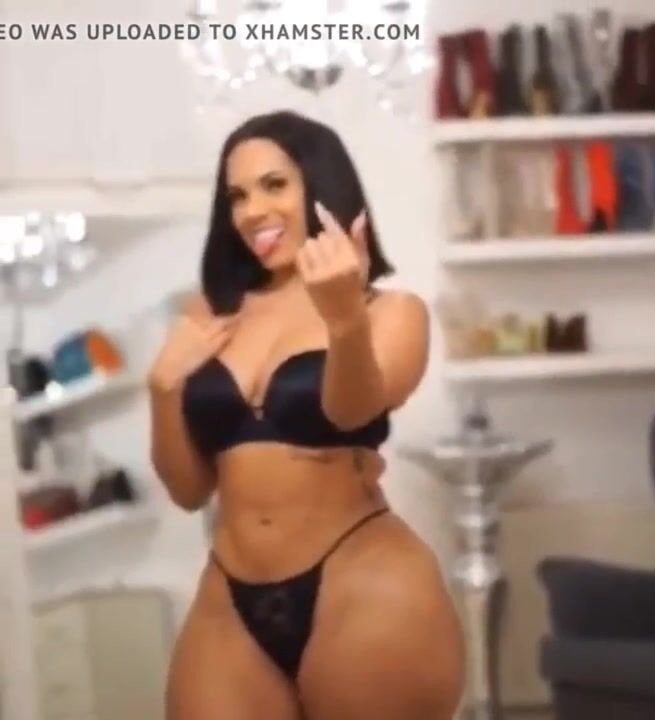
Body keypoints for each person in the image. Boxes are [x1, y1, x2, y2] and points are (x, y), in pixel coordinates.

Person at [148, 110, 465, 720]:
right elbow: (189, 491)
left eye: (274, 185)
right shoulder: (210, 316)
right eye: (237, 195)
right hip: (228, 595)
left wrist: (343, 318)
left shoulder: (390, 311)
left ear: (320, 187)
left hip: (361, 579)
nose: (252, 211)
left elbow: (352, 413)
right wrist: (162, 388)